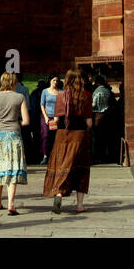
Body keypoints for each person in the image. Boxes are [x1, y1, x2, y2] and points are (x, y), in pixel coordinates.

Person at [43, 68, 93, 213]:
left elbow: (57, 119)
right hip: (80, 135)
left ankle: (58, 192)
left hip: (63, 134)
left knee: (62, 163)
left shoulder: (61, 95)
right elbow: (89, 122)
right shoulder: (87, 96)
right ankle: (79, 205)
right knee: (80, 167)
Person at [0, 71, 30, 214]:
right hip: (14, 135)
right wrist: (16, 123)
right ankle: (11, 203)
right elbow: (27, 121)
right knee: (13, 168)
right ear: (14, 82)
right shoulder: (20, 97)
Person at [91, 74, 113, 164]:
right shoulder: (107, 91)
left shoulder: (97, 91)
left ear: (97, 82)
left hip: (98, 115)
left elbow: (94, 104)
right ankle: (105, 156)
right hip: (107, 115)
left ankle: (98, 156)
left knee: (97, 137)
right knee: (105, 136)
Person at [40, 75, 61, 164]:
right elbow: (42, 104)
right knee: (45, 135)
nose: (55, 82)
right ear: (50, 81)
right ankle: (45, 155)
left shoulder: (60, 92)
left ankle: (55, 156)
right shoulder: (45, 91)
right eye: (54, 80)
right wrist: (45, 117)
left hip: (57, 117)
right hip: (47, 117)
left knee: (56, 137)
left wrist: (58, 116)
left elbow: (62, 105)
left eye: (57, 80)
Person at [28, 79, 48, 161]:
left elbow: (33, 107)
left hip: (38, 116)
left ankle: (38, 154)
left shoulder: (35, 93)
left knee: (38, 137)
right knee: (41, 136)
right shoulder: (43, 93)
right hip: (40, 116)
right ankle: (39, 153)